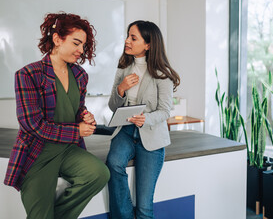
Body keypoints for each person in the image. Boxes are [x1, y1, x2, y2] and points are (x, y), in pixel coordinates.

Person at [3, 12, 110, 219]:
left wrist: (85, 117)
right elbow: (32, 124)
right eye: (76, 43)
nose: (81, 50)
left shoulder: (80, 75)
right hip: (37, 153)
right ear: (57, 39)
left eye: (83, 45)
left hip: (68, 150)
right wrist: (77, 130)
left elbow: (77, 109)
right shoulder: (28, 74)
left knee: (99, 174)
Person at [107, 20, 180, 219]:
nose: (127, 41)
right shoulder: (123, 67)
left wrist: (145, 119)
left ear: (148, 44)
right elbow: (113, 106)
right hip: (125, 131)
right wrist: (120, 89)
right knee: (113, 163)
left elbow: (165, 111)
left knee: (145, 205)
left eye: (133, 37)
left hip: (152, 136)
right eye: (128, 36)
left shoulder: (161, 73)